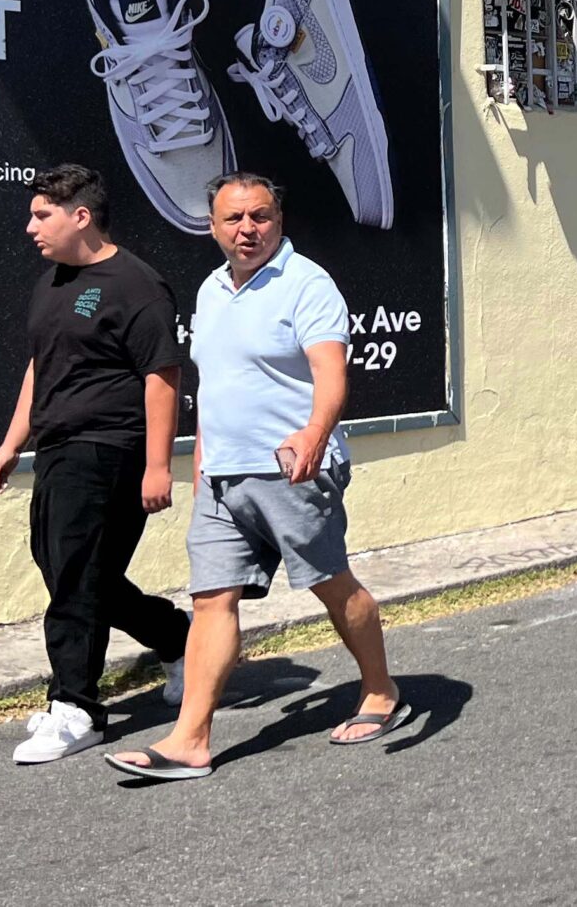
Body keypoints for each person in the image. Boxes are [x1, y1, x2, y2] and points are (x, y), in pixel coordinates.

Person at [106, 172, 406, 781]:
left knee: (330, 584)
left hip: (292, 473)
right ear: (213, 226)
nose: (247, 230)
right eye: (233, 219)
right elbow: (217, 385)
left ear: (279, 219)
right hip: (222, 476)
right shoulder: (213, 288)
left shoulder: (306, 284)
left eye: (260, 217)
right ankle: (191, 740)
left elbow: (331, 377)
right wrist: (200, 461)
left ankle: (380, 689)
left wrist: (313, 438)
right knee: (212, 599)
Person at [0, 164, 192, 765]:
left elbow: (162, 377)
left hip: (111, 450)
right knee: (70, 570)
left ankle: (76, 708)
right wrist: (10, 443)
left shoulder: (137, 284)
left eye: (41, 214)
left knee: (76, 578)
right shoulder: (51, 283)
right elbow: (39, 367)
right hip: (57, 449)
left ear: (81, 216)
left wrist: (158, 466)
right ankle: (179, 639)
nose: (30, 227)